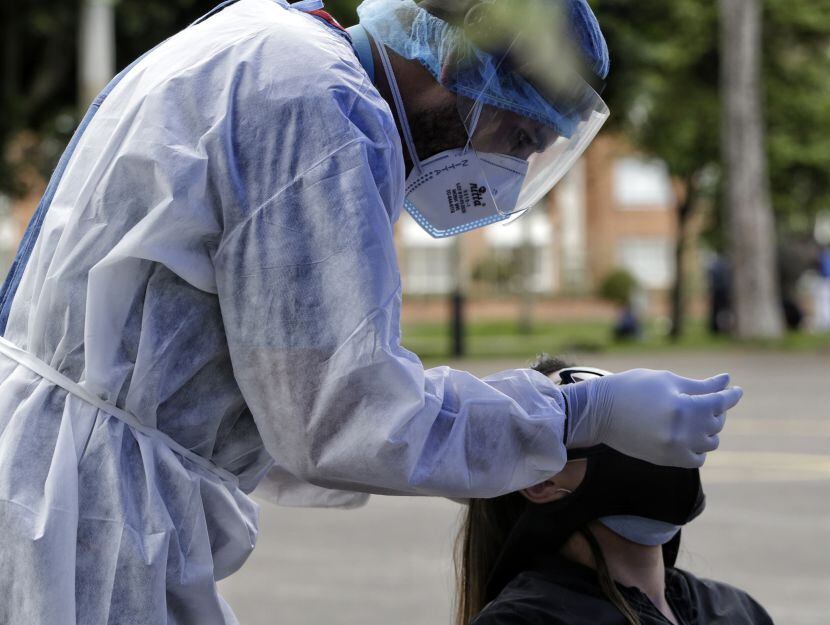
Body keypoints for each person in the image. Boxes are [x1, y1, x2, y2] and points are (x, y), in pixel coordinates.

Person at [0, 1, 744, 623]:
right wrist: (571, 416)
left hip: (78, 487)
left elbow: (286, 403)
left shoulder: (274, 48)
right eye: (517, 136)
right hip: (80, 509)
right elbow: (341, 413)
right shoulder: (316, 102)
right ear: (457, 64)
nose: (510, 171)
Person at [457, 357, 772, 625]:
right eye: (601, 422)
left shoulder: (736, 610)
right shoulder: (528, 618)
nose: (646, 429)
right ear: (540, 481)